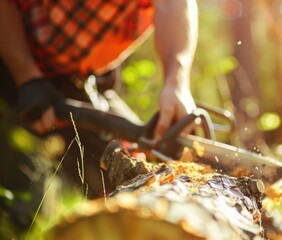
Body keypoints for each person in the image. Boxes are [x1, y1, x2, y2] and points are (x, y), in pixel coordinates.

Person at [0, 0, 198, 229]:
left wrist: (176, 82)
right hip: (12, 51)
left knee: (130, 177)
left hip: (77, 76)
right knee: (21, 210)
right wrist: (26, 76)